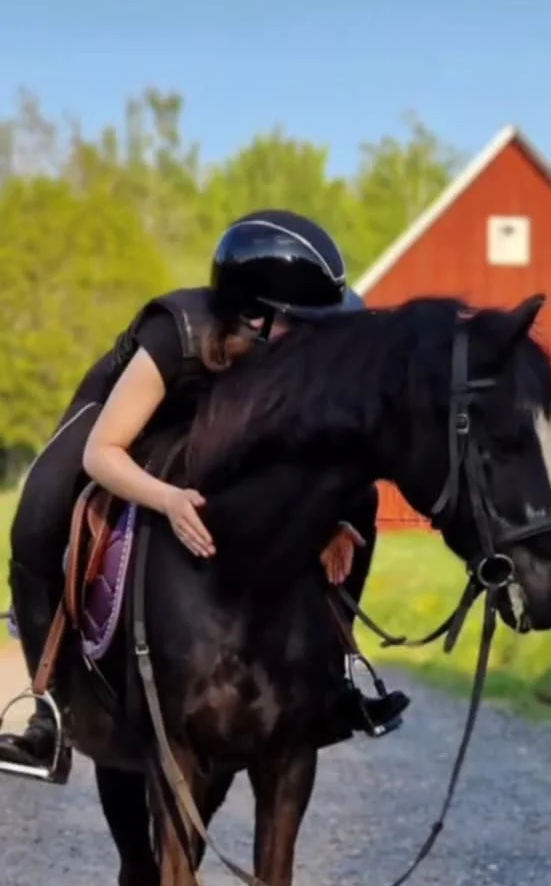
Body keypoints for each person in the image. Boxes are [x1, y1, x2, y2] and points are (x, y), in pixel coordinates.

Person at [0, 208, 408, 775]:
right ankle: (49, 710)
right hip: (119, 425)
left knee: (358, 499)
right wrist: (165, 498)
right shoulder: (176, 334)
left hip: (218, 436)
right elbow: (103, 453)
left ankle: (334, 676)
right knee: (40, 511)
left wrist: (336, 522)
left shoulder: (291, 356)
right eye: (305, 323)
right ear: (252, 318)